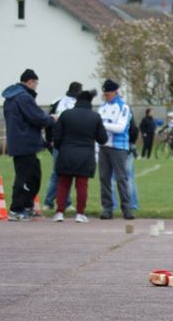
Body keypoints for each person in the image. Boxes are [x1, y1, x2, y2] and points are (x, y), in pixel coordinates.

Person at [1, 69, 55, 221]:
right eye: (35, 83)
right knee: (24, 177)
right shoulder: (23, 97)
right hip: (24, 144)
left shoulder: (11, 98)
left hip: (20, 142)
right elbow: (37, 117)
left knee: (34, 175)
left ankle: (26, 206)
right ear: (30, 81)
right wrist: (51, 119)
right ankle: (16, 209)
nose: (36, 87)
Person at [51, 89, 108, 223]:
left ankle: (59, 212)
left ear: (77, 100)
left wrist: (62, 148)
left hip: (66, 152)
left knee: (63, 184)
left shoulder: (66, 115)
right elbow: (102, 139)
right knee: (82, 185)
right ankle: (80, 213)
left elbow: (57, 137)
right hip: (85, 155)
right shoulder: (95, 117)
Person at [97, 78, 134, 220]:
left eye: (108, 94)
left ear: (115, 92)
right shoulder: (102, 108)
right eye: (104, 94)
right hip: (103, 146)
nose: (106, 96)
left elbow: (120, 127)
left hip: (119, 147)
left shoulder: (123, 107)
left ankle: (127, 208)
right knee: (104, 178)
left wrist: (102, 125)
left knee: (121, 179)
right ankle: (107, 208)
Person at [43, 81, 82, 214]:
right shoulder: (78, 105)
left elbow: (48, 122)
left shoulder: (57, 102)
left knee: (57, 173)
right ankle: (61, 203)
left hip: (57, 142)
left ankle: (52, 203)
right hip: (70, 144)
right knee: (66, 173)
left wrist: (49, 141)